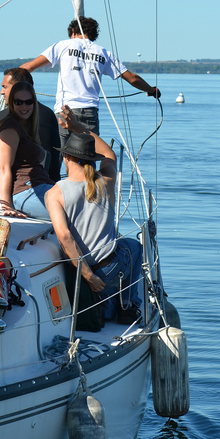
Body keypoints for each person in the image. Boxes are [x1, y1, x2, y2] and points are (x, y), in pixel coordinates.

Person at [45, 109, 143, 325]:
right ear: (91, 160)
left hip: (83, 271)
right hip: (109, 267)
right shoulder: (104, 182)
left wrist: (88, 275)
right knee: (134, 247)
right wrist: (78, 127)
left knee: (128, 249)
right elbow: (110, 155)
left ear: (66, 156)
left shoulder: (54, 193)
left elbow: (65, 237)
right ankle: (127, 306)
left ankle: (106, 302)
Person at [20, 16, 161, 146]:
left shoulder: (63, 46)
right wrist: (151, 90)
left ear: (73, 31)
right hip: (89, 113)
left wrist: (10, 86)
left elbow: (27, 68)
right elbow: (132, 78)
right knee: (87, 159)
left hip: (64, 111)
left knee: (60, 158)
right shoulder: (104, 53)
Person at [0, 67, 61, 182]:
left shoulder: (4, 118)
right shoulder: (49, 114)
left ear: (18, 88)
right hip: (51, 180)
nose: (1, 92)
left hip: (22, 184)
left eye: (5, 87)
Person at [0, 80, 55, 219]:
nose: (24, 106)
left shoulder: (27, 127)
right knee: (75, 211)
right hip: (25, 192)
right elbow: (3, 168)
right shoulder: (10, 127)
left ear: (34, 102)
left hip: (41, 186)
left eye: (28, 101)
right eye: (18, 102)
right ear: (11, 103)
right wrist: (6, 206)